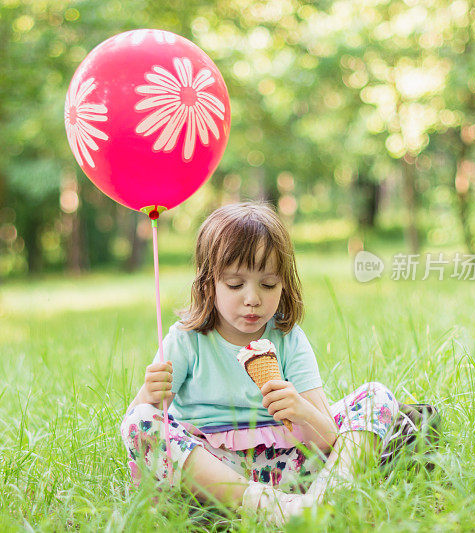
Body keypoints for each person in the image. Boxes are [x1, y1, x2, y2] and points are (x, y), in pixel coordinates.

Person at [119, 202, 398, 525]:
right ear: (208, 285)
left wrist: (301, 410)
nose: (253, 298)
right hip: (214, 472)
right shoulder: (186, 340)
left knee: (376, 397)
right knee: (141, 421)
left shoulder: (288, 338)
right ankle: (266, 506)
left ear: (284, 284)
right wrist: (149, 393)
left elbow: (328, 437)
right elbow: (137, 423)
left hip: (289, 465)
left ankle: (324, 497)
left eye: (268, 284)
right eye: (236, 284)